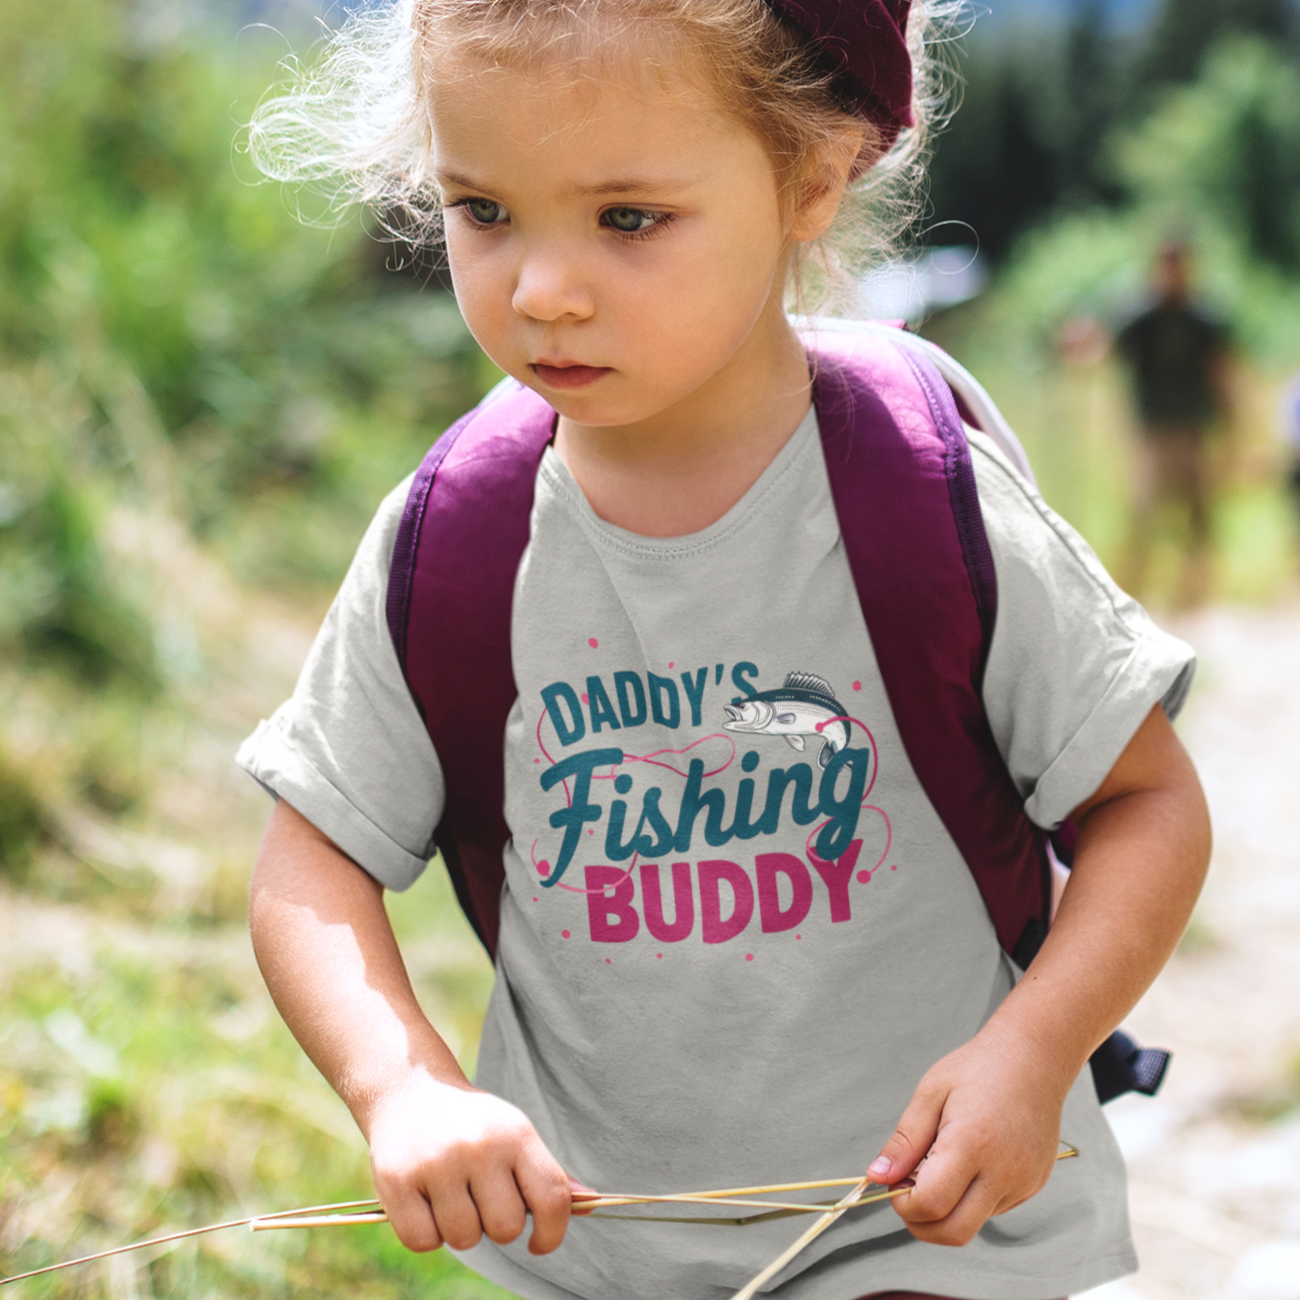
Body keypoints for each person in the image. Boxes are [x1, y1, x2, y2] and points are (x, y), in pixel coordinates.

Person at [236, 3, 1212, 1298]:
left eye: (627, 219)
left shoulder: (922, 502)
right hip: (591, 1256)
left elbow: (1144, 805)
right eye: (483, 212)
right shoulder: (458, 531)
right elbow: (311, 858)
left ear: (811, 174)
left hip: (922, 1241)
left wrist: (1031, 1054)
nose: (541, 288)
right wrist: (403, 1086)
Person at [1115, 240, 1231, 605]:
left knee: (1198, 514)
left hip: (1193, 429)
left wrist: (1231, 426)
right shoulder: (1141, 318)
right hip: (1153, 432)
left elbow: (1221, 372)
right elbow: (1107, 351)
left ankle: (1194, 595)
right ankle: (1132, 591)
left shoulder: (1203, 319)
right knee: (1145, 512)